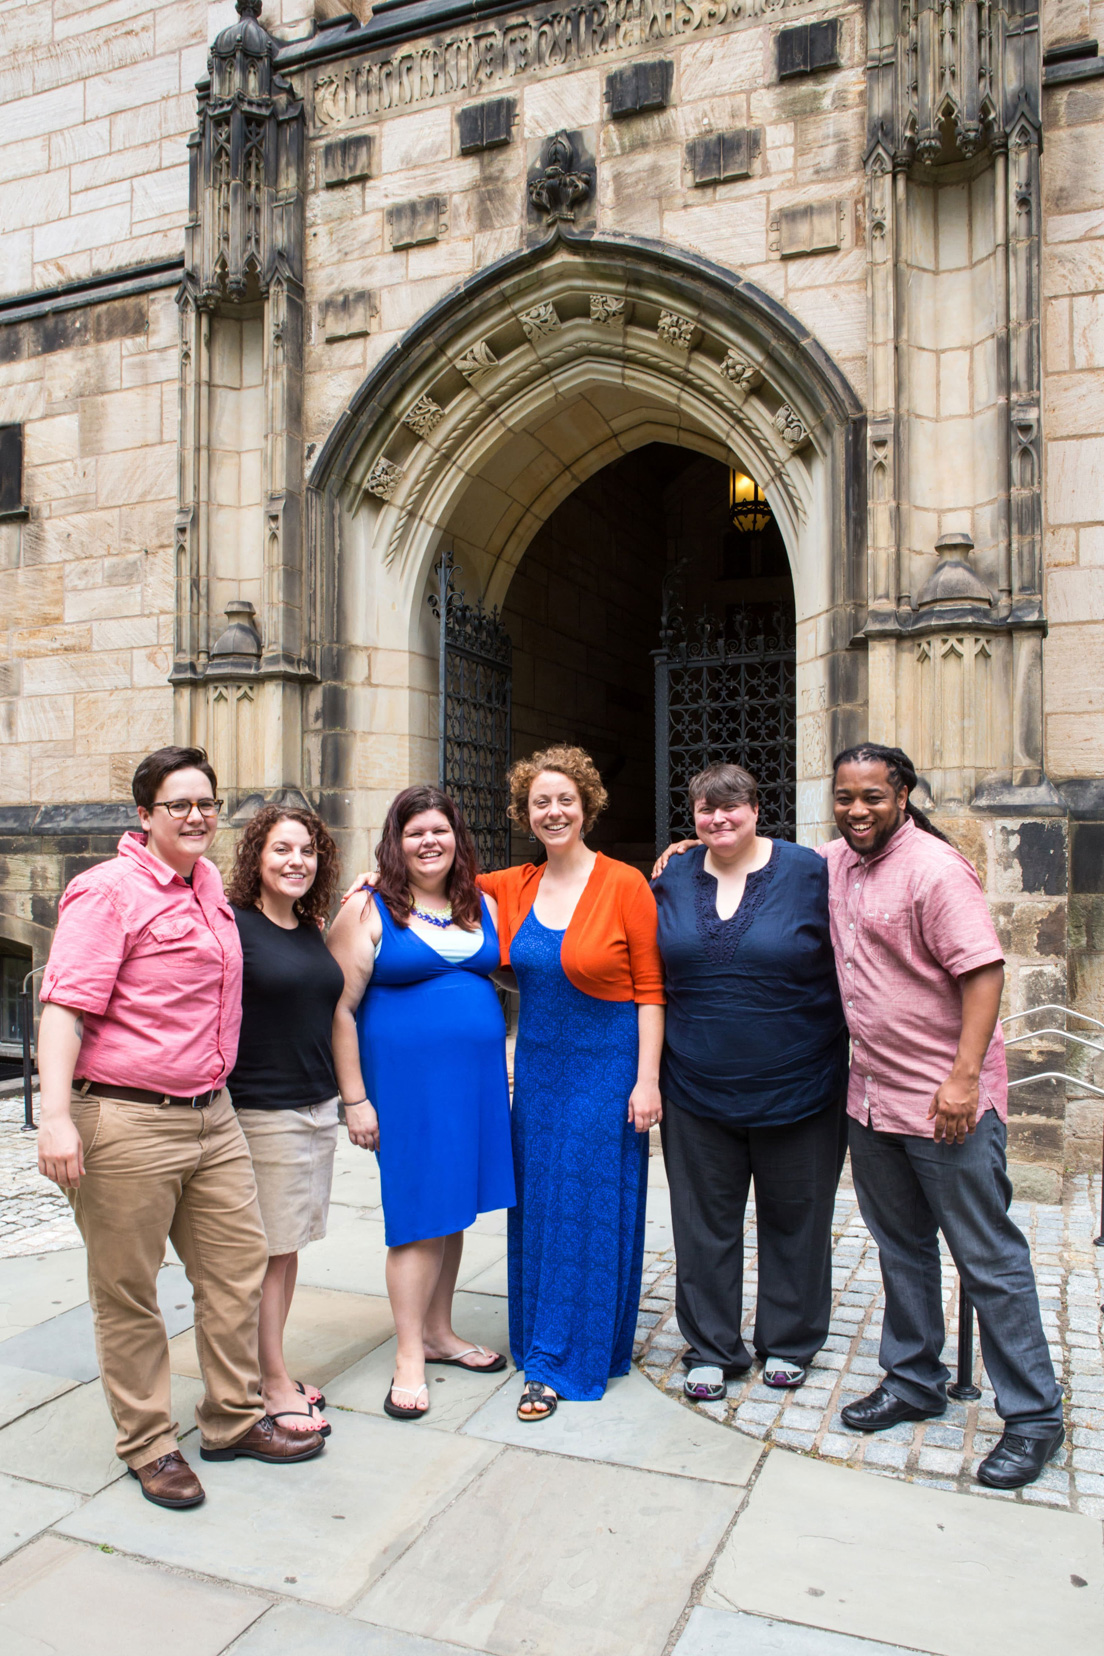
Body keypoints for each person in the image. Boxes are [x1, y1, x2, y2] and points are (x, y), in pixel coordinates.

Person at [36, 747, 323, 1513]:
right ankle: (150, 1444)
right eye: (179, 805)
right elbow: (64, 1008)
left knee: (235, 1273)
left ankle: (230, 1421)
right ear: (145, 815)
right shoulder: (107, 892)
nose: (197, 816)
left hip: (213, 1114)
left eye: (206, 803)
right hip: (126, 1120)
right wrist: (56, 1118)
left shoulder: (208, 890)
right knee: (128, 1293)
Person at [825, 743, 1064, 1488]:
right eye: (845, 796)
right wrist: (680, 850)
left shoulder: (933, 868)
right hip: (870, 1097)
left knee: (989, 1259)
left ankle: (1033, 1417)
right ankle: (913, 1380)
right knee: (901, 1249)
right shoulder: (834, 863)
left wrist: (964, 1081)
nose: (857, 809)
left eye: (872, 796)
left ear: (903, 795)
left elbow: (984, 971)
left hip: (944, 1104)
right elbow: (759, 863)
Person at [479, 745, 666, 1421]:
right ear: (525, 813)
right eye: (540, 802)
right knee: (540, 1202)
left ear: (587, 806)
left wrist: (647, 1081)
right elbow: (430, 885)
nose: (553, 811)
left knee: (587, 1206)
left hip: (607, 1064)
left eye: (565, 800)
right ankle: (547, 1341)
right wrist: (366, 884)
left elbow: (651, 990)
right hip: (537, 1069)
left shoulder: (624, 884)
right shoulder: (513, 884)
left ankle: (560, 1361)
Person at [651, 762, 848, 1402]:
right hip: (696, 1087)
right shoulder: (672, 875)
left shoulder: (812, 870)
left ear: (758, 809)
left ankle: (789, 1342)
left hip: (802, 1086)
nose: (719, 818)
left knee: (797, 1220)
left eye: (732, 806)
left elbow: (888, 865)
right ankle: (712, 1347)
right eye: (705, 809)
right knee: (702, 1223)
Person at [328, 786, 515, 1421]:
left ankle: (440, 1332)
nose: (429, 842)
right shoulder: (367, 906)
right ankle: (409, 1353)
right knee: (417, 1215)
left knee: (454, 1206)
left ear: (458, 839)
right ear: (395, 842)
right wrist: (355, 1099)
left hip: (475, 1084)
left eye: (440, 830)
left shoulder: (480, 903)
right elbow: (339, 1010)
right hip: (407, 1088)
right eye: (415, 833)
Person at [225, 804, 345, 1437]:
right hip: (262, 1110)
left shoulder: (308, 927)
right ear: (257, 857)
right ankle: (269, 1384)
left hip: (314, 1106)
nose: (296, 860)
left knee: (288, 1249)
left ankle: (270, 1366)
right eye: (281, 849)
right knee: (268, 1254)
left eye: (307, 850)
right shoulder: (233, 925)